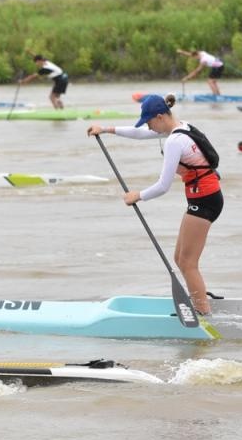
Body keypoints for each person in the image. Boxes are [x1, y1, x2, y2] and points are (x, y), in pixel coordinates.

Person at [88, 95, 223, 315]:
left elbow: (163, 186)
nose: (149, 127)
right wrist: (105, 129)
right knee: (180, 258)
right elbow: (140, 133)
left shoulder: (174, 141)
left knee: (188, 263)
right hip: (206, 196)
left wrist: (137, 196)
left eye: (150, 121)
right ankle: (199, 302)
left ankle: (202, 313)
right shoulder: (182, 127)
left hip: (204, 200)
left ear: (160, 117)